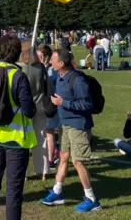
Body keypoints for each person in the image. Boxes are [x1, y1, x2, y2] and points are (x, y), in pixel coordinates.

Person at [0, 35, 37, 220]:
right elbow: (29, 110)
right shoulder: (18, 76)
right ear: (18, 53)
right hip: (15, 140)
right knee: (13, 190)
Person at [41, 49, 101, 213]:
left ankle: (92, 199)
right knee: (64, 156)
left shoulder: (78, 80)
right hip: (65, 125)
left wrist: (63, 102)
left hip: (79, 126)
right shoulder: (59, 77)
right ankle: (57, 192)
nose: (50, 61)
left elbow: (87, 105)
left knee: (78, 161)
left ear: (61, 63)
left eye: (52, 59)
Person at [18, 40, 50, 180]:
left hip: (25, 108)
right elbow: (47, 85)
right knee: (41, 139)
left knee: (24, 140)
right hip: (39, 106)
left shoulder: (20, 68)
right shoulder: (40, 67)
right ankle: (42, 170)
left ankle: (24, 172)